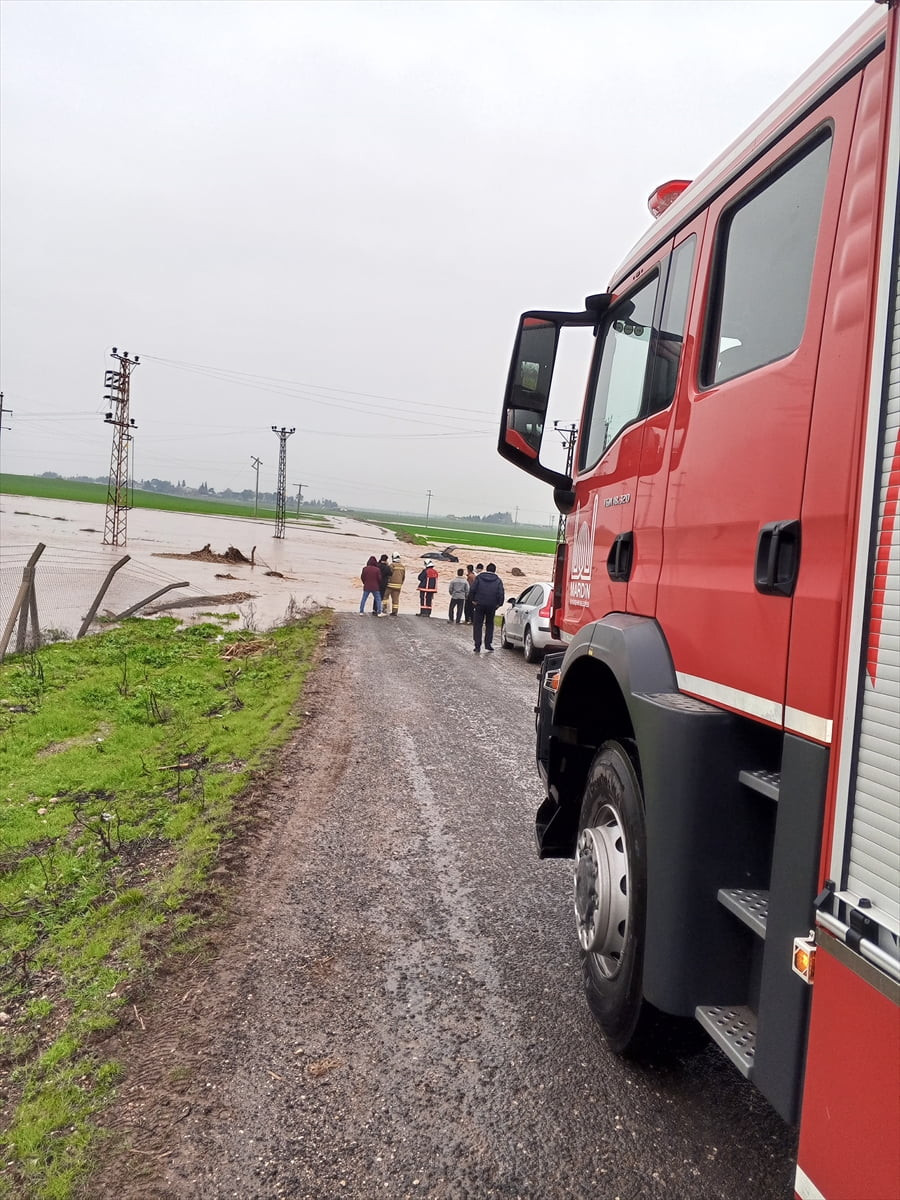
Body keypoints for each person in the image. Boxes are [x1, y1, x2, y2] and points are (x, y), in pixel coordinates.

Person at [470, 562, 504, 652]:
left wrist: (473, 600)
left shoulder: (479, 578)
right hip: (492, 605)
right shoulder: (498, 580)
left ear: (486, 569)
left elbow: (472, 589)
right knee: (489, 624)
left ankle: (477, 645)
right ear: (494, 570)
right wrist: (499, 604)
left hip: (479, 604)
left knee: (478, 625)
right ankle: (488, 644)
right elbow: (501, 593)